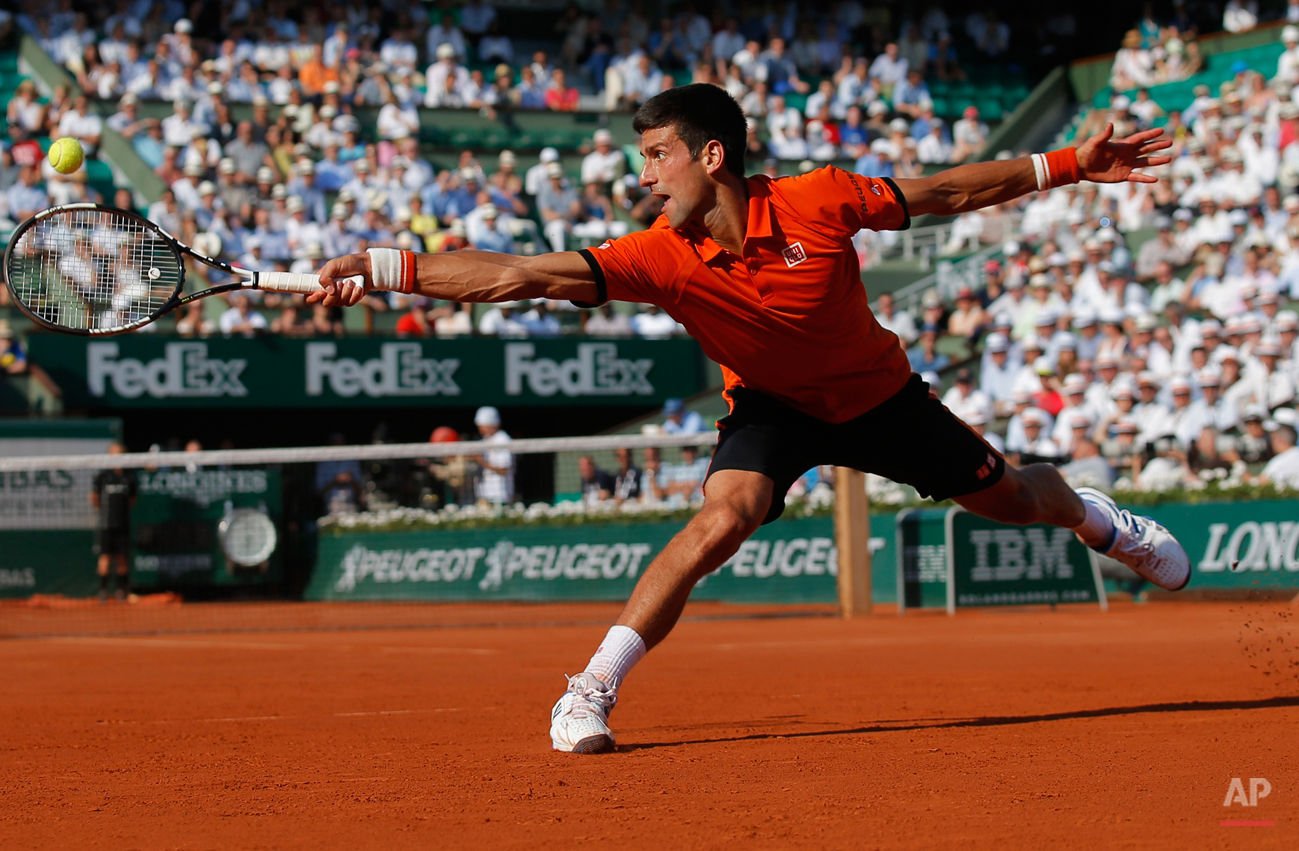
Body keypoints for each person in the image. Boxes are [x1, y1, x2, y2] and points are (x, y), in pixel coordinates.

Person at [310, 84, 1189, 755]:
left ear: (713, 156)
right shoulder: (654, 254)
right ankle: (589, 688)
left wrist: (1072, 162)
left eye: (657, 156)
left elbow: (947, 193)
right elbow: (516, 276)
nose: (642, 175)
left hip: (882, 399)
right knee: (721, 517)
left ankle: (1095, 517)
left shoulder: (820, 198)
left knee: (1015, 501)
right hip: (771, 407)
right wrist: (390, 268)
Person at [91, 443, 136, 602]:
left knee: (122, 558)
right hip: (106, 525)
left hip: (123, 525)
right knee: (105, 558)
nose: (116, 457)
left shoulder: (129, 477)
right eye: (113, 453)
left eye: (119, 453)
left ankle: (121, 591)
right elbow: (94, 498)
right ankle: (103, 591)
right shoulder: (102, 476)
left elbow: (132, 500)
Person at [471, 406, 514, 505]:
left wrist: (480, 460)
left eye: (483, 425)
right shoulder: (485, 440)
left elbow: (503, 470)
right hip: (485, 495)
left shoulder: (503, 440)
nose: (480, 429)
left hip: (500, 496)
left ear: (492, 424)